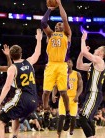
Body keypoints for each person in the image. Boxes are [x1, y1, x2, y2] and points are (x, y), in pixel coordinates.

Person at [0, 29, 42, 138]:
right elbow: (37, 53)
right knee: (15, 116)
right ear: (21, 54)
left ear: (11, 55)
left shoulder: (12, 68)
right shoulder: (29, 62)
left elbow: (6, 87)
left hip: (22, 98)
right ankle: (15, 136)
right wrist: (38, 39)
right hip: (34, 101)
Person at [41, 0, 72, 128]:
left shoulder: (67, 34)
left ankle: (68, 115)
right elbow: (43, 22)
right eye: (57, 24)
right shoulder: (50, 35)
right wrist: (49, 9)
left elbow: (65, 19)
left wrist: (59, 5)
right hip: (51, 64)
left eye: (60, 24)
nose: (58, 25)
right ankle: (46, 112)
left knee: (63, 92)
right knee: (46, 92)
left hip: (62, 65)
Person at [76, 32, 105, 138]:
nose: (95, 49)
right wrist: (82, 53)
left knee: (82, 118)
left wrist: (83, 39)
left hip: (94, 93)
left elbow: (86, 53)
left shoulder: (100, 61)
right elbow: (79, 66)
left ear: (101, 53)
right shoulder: (92, 64)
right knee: (88, 119)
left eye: (98, 48)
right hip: (91, 94)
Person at [52, 59, 83, 137]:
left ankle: (71, 130)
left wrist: (77, 96)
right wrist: (53, 95)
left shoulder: (77, 74)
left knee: (73, 118)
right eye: (66, 63)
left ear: (72, 64)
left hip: (73, 99)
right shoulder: (61, 74)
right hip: (63, 99)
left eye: (69, 62)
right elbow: (55, 87)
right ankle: (58, 134)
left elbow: (80, 87)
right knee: (61, 117)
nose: (68, 64)